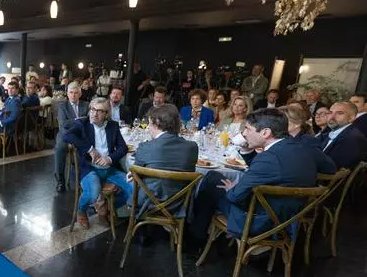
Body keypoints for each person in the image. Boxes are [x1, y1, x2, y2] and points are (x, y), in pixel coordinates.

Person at [190, 109, 336, 241]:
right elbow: (270, 170)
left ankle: (196, 236)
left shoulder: (269, 158)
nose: (244, 134)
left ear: (265, 132)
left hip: (259, 221)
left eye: (247, 129)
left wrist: (234, 188)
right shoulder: (301, 147)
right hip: (289, 218)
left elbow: (235, 197)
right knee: (218, 179)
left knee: (212, 179)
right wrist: (247, 151)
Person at [63, 97, 131, 228]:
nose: (94, 113)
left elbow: (123, 148)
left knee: (133, 186)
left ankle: (107, 207)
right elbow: (66, 136)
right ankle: (81, 210)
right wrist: (90, 149)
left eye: (99, 111)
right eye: (92, 109)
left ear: (106, 114)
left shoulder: (113, 126)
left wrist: (109, 158)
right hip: (90, 169)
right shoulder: (82, 124)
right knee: (93, 193)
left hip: (109, 168)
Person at [132, 104, 198, 217]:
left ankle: (138, 228)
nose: (147, 127)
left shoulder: (145, 147)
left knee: (128, 183)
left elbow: (135, 173)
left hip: (148, 204)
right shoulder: (192, 147)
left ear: (157, 123)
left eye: (149, 123)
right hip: (179, 205)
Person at [54, 82, 89, 192]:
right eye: (71, 92)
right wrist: (79, 121)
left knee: (90, 145)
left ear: (80, 93)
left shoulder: (86, 105)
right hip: (65, 134)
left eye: (76, 93)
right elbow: (63, 124)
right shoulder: (62, 106)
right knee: (60, 148)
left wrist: (73, 122)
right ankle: (60, 180)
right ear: (67, 94)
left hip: (82, 135)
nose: (73, 95)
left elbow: (89, 122)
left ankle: (85, 179)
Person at [322, 102, 367, 169]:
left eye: (339, 113)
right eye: (330, 112)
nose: (332, 117)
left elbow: (332, 167)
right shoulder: (335, 132)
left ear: (351, 118)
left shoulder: (351, 138)